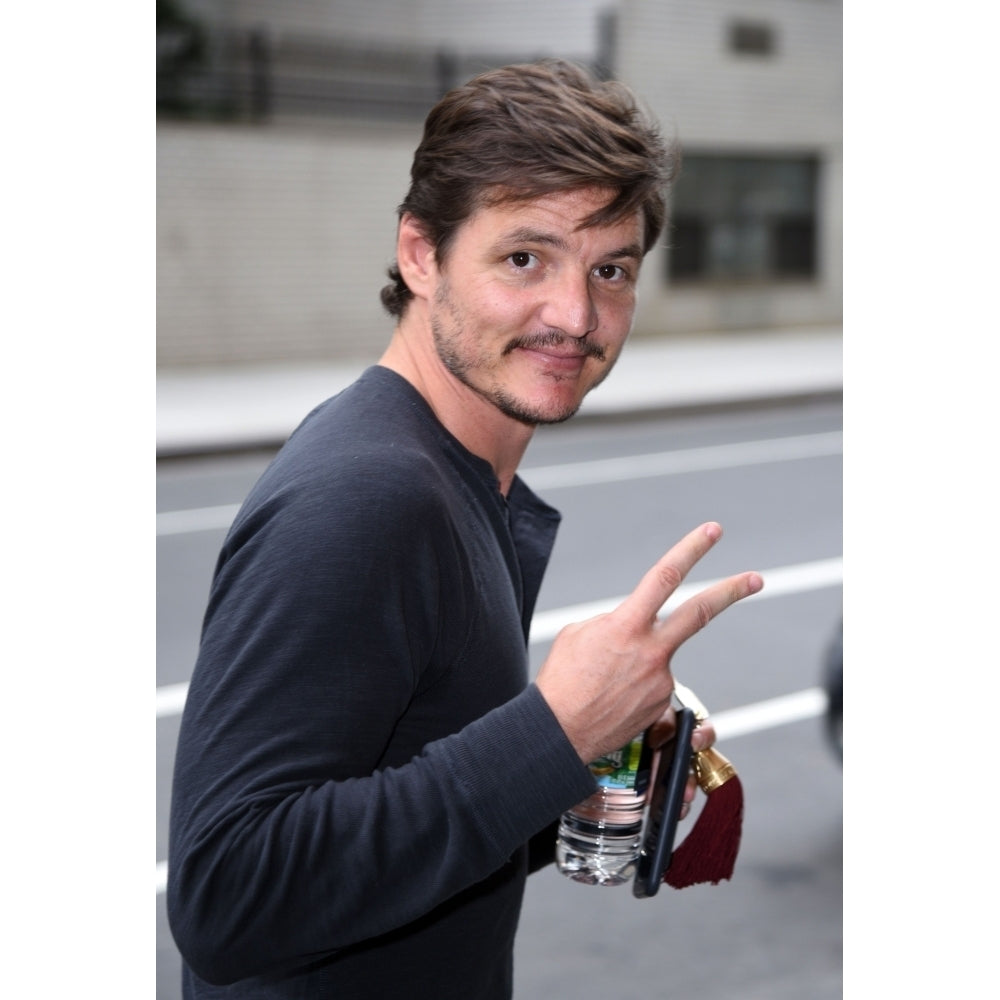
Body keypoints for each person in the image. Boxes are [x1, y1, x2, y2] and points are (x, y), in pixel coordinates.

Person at [167, 58, 763, 999]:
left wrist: (570, 770)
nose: (574, 315)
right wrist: (551, 732)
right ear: (420, 254)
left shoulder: (452, 474)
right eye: (524, 258)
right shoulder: (367, 498)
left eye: (610, 269)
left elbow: (394, 819)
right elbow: (229, 896)